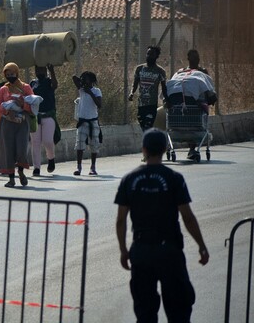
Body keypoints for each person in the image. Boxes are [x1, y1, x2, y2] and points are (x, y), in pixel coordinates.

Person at [115, 128, 209, 323]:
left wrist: (124, 251)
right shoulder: (174, 178)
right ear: (165, 149)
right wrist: (201, 245)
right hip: (169, 251)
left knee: (145, 312)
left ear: (144, 149)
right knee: (179, 311)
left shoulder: (129, 180)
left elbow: (121, 220)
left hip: (140, 251)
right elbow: (188, 217)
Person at [0, 62, 34, 188]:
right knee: (8, 150)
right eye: (8, 74)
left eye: (12, 73)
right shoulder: (3, 89)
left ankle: (21, 171)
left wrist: (22, 104)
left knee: (21, 148)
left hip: (22, 123)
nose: (10, 76)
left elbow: (33, 106)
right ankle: (11, 179)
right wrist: (7, 110)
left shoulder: (26, 88)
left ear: (17, 73)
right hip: (7, 123)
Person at [129, 46, 168, 132]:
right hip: (141, 105)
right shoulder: (139, 69)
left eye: (151, 54)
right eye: (148, 54)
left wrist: (167, 100)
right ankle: (151, 143)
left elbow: (164, 88)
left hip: (152, 105)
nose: (149, 56)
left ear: (156, 56)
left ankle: (147, 145)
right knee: (144, 128)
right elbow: (135, 83)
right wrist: (132, 93)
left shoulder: (160, 71)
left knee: (147, 127)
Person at [29, 64, 58, 176]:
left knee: (47, 141)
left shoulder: (49, 81)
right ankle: (36, 168)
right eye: (37, 69)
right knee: (35, 143)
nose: (39, 72)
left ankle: (51, 158)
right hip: (35, 116)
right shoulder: (33, 83)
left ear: (45, 71)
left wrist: (52, 71)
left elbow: (55, 85)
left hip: (48, 115)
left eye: (41, 69)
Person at [72, 71, 102, 176]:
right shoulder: (82, 90)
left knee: (94, 145)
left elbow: (99, 105)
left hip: (93, 121)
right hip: (82, 121)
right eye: (83, 78)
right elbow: (74, 77)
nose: (84, 80)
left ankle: (93, 167)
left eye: (86, 78)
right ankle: (78, 167)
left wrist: (90, 93)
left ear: (92, 81)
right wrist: (82, 81)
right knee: (79, 144)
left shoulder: (96, 91)